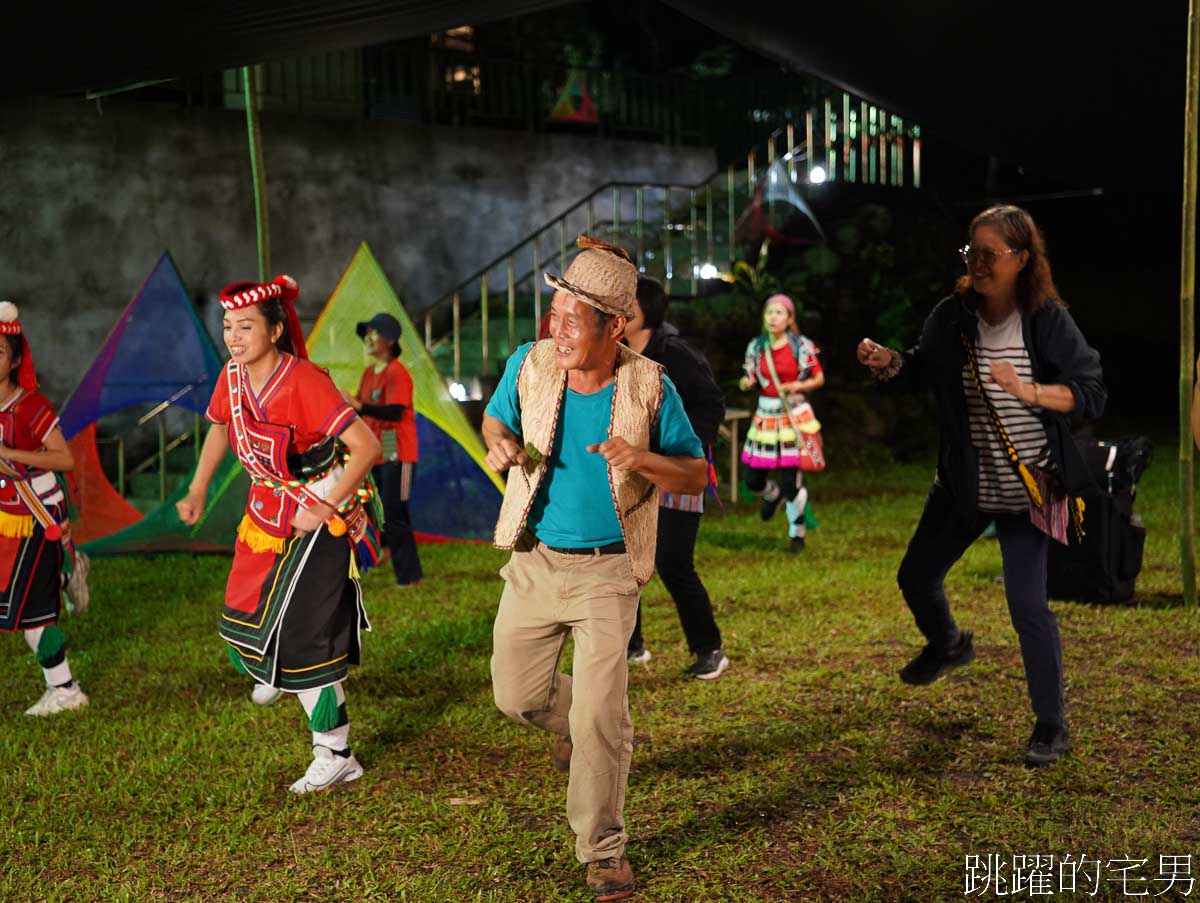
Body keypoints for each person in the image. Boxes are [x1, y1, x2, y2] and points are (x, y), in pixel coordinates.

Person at [483, 236, 707, 901]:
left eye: (574, 318)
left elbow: (695, 470)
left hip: (609, 573)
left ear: (615, 326)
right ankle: (584, 726)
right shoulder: (530, 364)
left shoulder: (650, 385)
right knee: (516, 696)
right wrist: (500, 446)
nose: (559, 328)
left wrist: (642, 460)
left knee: (603, 718)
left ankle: (604, 852)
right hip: (534, 561)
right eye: (555, 312)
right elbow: (495, 422)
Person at [857, 204, 1105, 767]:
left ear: (1021, 259)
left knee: (1027, 605)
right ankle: (949, 645)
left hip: (1030, 490)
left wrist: (1030, 391)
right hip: (965, 484)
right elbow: (923, 367)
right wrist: (888, 361)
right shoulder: (952, 316)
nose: (978, 263)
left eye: (990, 254)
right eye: (972, 252)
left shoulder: (1046, 320)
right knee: (915, 575)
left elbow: (1090, 392)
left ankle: (1050, 724)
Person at [177, 275, 382, 794]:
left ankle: (335, 753)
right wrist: (198, 487)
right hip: (265, 516)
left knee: (303, 637)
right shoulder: (233, 377)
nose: (234, 336)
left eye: (246, 326)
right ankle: (274, 666)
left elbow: (366, 448)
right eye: (227, 326)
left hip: (321, 513)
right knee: (240, 622)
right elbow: (221, 426)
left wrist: (324, 505)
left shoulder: (304, 380)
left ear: (274, 329)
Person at [622, 275, 729, 679]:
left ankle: (709, 649)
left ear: (642, 310)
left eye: (625, 300)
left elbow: (711, 402)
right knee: (625, 561)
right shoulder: (618, 354)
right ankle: (630, 646)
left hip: (676, 471)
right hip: (634, 472)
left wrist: (688, 452)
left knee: (672, 562)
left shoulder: (675, 353)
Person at [0, 302, 88, 716]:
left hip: (36, 520)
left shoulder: (31, 405)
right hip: (5, 521)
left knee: (35, 616)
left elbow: (64, 459)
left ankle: (66, 690)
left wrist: (9, 453)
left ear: (15, 358)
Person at [738, 294, 825, 552]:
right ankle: (772, 495)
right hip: (765, 416)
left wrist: (798, 385)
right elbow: (748, 376)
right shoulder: (756, 346)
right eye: (769, 313)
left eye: (779, 313)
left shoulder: (801, 346)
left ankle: (796, 534)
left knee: (791, 481)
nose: (773, 317)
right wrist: (746, 383)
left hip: (793, 415)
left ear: (789, 319)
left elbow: (818, 378)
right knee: (753, 479)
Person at [341, 312, 422, 586]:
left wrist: (359, 406)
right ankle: (384, 550)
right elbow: (361, 412)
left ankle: (409, 576)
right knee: (376, 507)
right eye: (367, 334)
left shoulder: (397, 372)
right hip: (377, 449)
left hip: (396, 448)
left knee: (396, 511)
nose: (368, 339)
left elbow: (396, 412)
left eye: (373, 333)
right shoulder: (368, 374)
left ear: (389, 340)